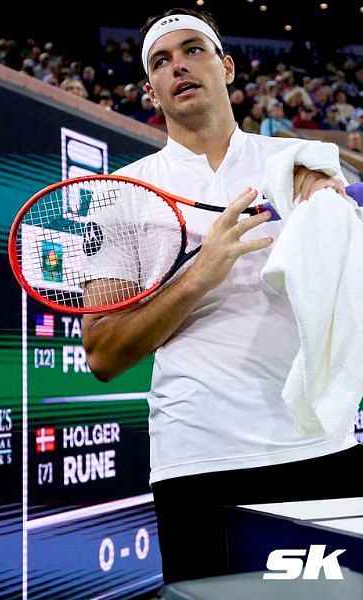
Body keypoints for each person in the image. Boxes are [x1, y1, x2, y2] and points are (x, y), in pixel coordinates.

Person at [81, 7, 363, 585]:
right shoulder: (117, 197)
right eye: (161, 61)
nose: (178, 66)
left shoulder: (297, 162)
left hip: (318, 444)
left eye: (193, 51)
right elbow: (104, 353)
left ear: (227, 67)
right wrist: (200, 273)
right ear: (150, 90)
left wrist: (332, 194)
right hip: (200, 457)